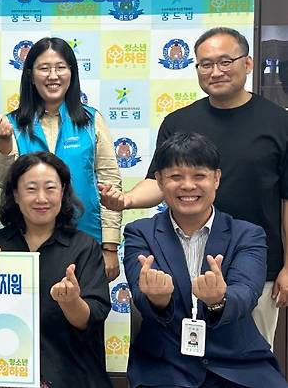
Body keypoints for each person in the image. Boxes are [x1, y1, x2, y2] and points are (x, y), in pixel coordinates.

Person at [99, 27, 288, 347]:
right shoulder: (178, 122)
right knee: (176, 357)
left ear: (248, 63)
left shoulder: (279, 122)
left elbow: (286, 200)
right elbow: (159, 181)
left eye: (225, 61)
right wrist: (126, 200)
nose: (215, 71)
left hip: (254, 266)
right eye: (205, 64)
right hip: (182, 264)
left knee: (248, 356)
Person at [124, 132, 288, 388]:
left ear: (216, 179)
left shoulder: (248, 234)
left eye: (199, 176)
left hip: (238, 365)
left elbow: (246, 293)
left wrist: (218, 300)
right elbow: (140, 295)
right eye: (176, 177)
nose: (188, 186)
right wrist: (158, 299)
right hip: (166, 366)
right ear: (159, 180)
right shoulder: (140, 233)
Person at [0, 37, 122, 280]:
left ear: (72, 72)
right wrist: (4, 141)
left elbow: (110, 182)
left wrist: (110, 245)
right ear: (31, 76)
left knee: (84, 303)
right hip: (29, 241)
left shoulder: (92, 121)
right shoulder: (13, 124)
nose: (53, 76)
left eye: (61, 67)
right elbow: (2, 180)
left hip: (86, 236)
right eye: (44, 68)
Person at [0, 152, 112, 388]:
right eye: (31, 189)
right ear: (15, 195)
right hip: (5, 375)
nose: (41, 198)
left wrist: (71, 302)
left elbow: (92, 319)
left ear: (63, 192)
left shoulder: (84, 247)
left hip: (71, 376)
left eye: (50, 188)